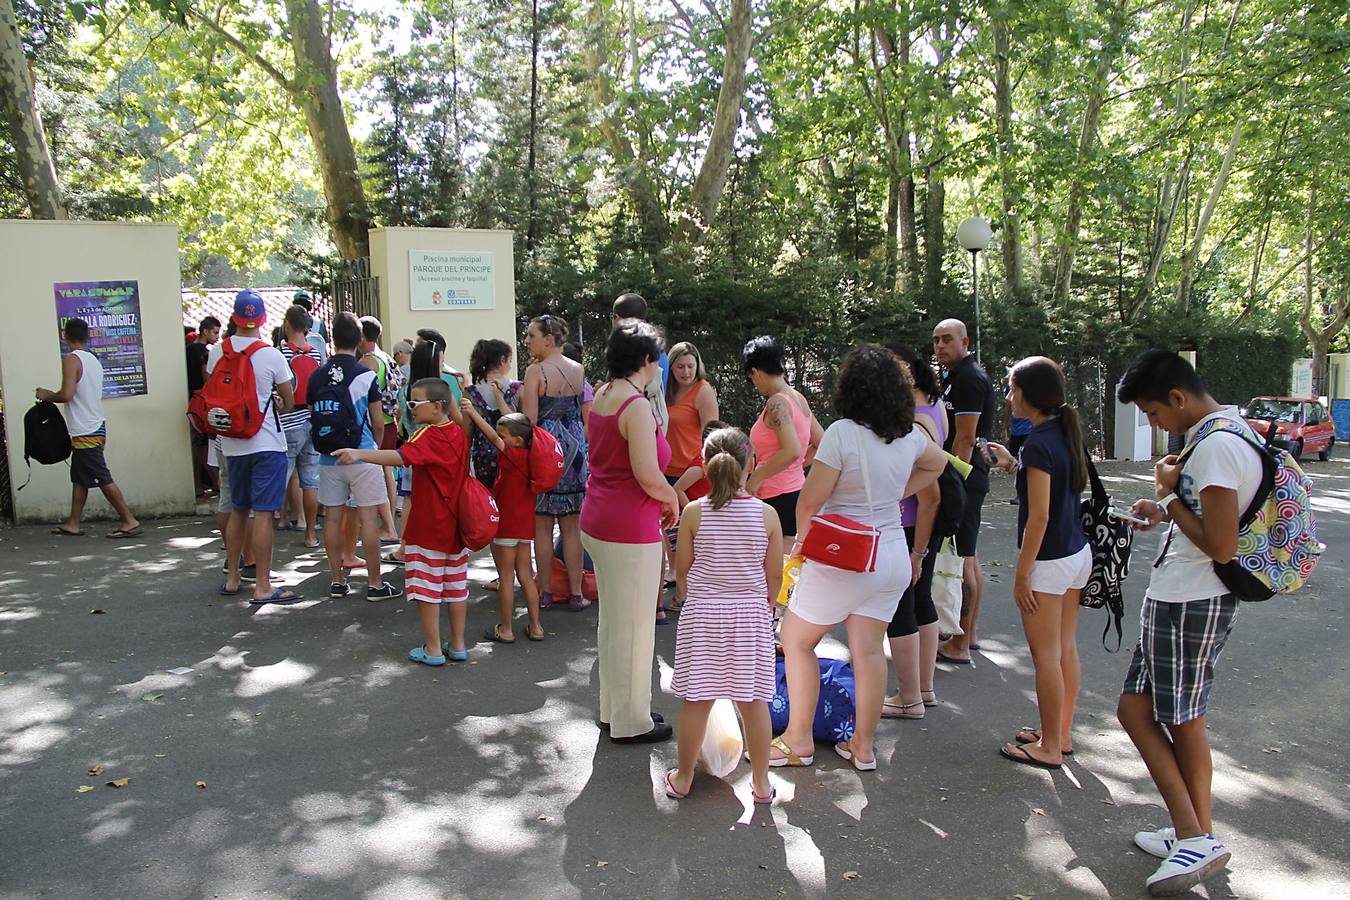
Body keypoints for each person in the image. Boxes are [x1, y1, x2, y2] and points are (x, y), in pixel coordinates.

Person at [1112, 349, 1257, 895]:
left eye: (1152, 413)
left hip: (1193, 599)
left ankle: (1195, 837)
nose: (1155, 424)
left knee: (1181, 718)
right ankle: (1194, 834)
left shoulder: (1217, 445)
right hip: (1180, 595)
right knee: (1138, 709)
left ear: (1176, 397)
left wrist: (1168, 497)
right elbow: (1209, 520)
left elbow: (1221, 544)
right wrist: (1167, 506)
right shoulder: (1219, 435)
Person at [772, 346, 946, 770]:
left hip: (844, 555)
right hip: (890, 555)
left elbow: (809, 505)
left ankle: (798, 740)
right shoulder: (910, 435)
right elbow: (938, 465)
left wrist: (801, 550)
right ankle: (863, 748)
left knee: (796, 640)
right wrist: (893, 493)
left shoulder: (843, 433)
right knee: (868, 651)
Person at [982, 357, 1090, 771]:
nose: (1009, 398)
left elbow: (1039, 516)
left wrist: (1022, 573)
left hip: (1049, 561)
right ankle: (1058, 733)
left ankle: (1048, 746)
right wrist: (1013, 464)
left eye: (1011, 389)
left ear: (1027, 394)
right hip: (1076, 553)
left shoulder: (1040, 444)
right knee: (1064, 649)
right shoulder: (1061, 434)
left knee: (1046, 657)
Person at [665, 427, 782, 802]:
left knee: (698, 700)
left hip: (703, 614)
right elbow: (774, 575)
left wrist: (692, 595)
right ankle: (761, 783)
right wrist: (767, 607)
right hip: (750, 614)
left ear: (704, 465)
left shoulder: (694, 512)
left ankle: (683, 778)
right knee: (754, 701)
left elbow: (682, 571)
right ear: (752, 465)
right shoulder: (767, 515)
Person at [581, 321, 679, 744]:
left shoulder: (604, 394)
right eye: (657, 358)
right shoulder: (635, 405)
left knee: (614, 624)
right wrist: (672, 497)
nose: (660, 367)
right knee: (636, 628)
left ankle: (616, 709)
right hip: (628, 529)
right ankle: (631, 720)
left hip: (599, 520)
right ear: (645, 360)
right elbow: (647, 474)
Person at [338, 378, 472, 665]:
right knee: (456, 585)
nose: (409, 408)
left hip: (428, 526)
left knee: (427, 588)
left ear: (436, 407)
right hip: (457, 525)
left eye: (414, 403)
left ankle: (433, 648)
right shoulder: (458, 434)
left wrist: (360, 453)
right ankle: (458, 644)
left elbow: (400, 457)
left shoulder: (427, 435)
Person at [207, 290, 297, 603]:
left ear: (234, 317)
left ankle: (232, 577)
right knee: (262, 514)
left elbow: (214, 392)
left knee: (237, 510)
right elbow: (289, 400)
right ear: (261, 319)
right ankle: (262, 585)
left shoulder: (217, 352)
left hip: (231, 444)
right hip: (266, 442)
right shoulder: (271, 355)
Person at [311, 312, 400, 602]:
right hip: (361, 455)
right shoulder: (365, 375)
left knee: (333, 519)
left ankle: (337, 580)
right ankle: (375, 584)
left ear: (332, 340)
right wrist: (370, 447)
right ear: (358, 340)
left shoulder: (318, 374)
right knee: (368, 519)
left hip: (328, 456)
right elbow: (377, 420)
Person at [37, 317, 142, 539]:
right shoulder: (93, 360)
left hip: (85, 429)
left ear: (65, 336)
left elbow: (67, 394)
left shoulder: (72, 360)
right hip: (94, 425)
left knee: (101, 476)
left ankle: (128, 519)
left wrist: (46, 395)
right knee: (80, 478)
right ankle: (73, 523)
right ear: (87, 336)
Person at [883, 345, 945, 719]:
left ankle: (911, 697)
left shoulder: (916, 422)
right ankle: (923, 689)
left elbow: (931, 496)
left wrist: (918, 552)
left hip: (912, 527)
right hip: (918, 527)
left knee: (903, 606)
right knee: (920, 600)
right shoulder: (931, 409)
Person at [933, 318, 994, 666]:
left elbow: (966, 439)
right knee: (968, 557)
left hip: (966, 479)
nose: (940, 345)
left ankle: (959, 641)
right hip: (967, 478)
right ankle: (966, 635)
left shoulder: (969, 379)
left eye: (947, 339)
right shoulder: (954, 376)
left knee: (963, 558)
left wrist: (951, 481)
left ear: (965, 341)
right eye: (937, 340)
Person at [521, 315, 590, 611]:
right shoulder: (578, 369)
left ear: (548, 340)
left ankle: (546, 591)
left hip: (546, 451)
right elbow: (582, 415)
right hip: (574, 451)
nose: (527, 341)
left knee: (542, 526)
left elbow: (530, 421)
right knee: (572, 527)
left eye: (531, 336)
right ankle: (576, 593)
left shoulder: (535, 371)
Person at [461, 405, 545, 643]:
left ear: (517, 440)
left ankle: (506, 629)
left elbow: (490, 435)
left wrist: (474, 415)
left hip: (507, 524)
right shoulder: (532, 456)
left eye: (504, 436)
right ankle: (536, 626)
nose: (500, 440)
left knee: (506, 577)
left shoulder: (512, 454)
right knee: (526, 576)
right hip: (525, 524)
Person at [742, 335, 823, 541]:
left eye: (751, 378)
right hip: (796, 491)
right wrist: (794, 466)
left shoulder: (776, 404)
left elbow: (792, 449)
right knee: (789, 566)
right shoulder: (798, 398)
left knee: (778, 567)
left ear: (756, 372)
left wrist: (757, 477)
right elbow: (821, 442)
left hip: (776, 497)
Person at [279, 305, 324, 548]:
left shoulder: (279, 353)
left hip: (288, 421)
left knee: (281, 477)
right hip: (311, 419)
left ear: (287, 324)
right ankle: (310, 533)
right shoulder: (315, 353)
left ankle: (279, 519)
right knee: (310, 480)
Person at [357, 316, 401, 542]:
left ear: (362, 337)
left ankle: (388, 524)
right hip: (390, 419)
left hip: (377, 423)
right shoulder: (386, 358)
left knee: (381, 471)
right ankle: (390, 519)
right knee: (387, 471)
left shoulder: (368, 362)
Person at [467, 338, 522, 489]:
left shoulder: (471, 392)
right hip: (512, 453)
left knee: (488, 504)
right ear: (503, 360)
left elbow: (467, 434)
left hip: (482, 456)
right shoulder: (517, 388)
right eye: (510, 360)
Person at [612, 293, 668, 432]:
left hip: (642, 426)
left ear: (616, 317)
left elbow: (642, 390)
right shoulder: (658, 349)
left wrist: (610, 389)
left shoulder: (636, 351)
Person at [187, 316, 221, 496]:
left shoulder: (187, 350)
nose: (217, 336)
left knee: (196, 445)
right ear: (205, 331)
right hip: (203, 403)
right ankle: (216, 482)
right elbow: (207, 379)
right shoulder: (206, 353)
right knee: (207, 445)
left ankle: (198, 484)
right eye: (215, 332)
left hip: (191, 402)